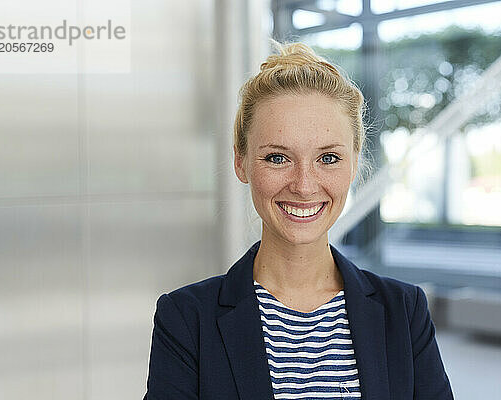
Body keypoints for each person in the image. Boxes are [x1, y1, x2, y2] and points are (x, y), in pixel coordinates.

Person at [143, 40, 454, 400]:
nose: (304, 185)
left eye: (328, 158)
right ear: (241, 162)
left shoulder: (404, 310)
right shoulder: (185, 318)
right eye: (278, 158)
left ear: (354, 163)